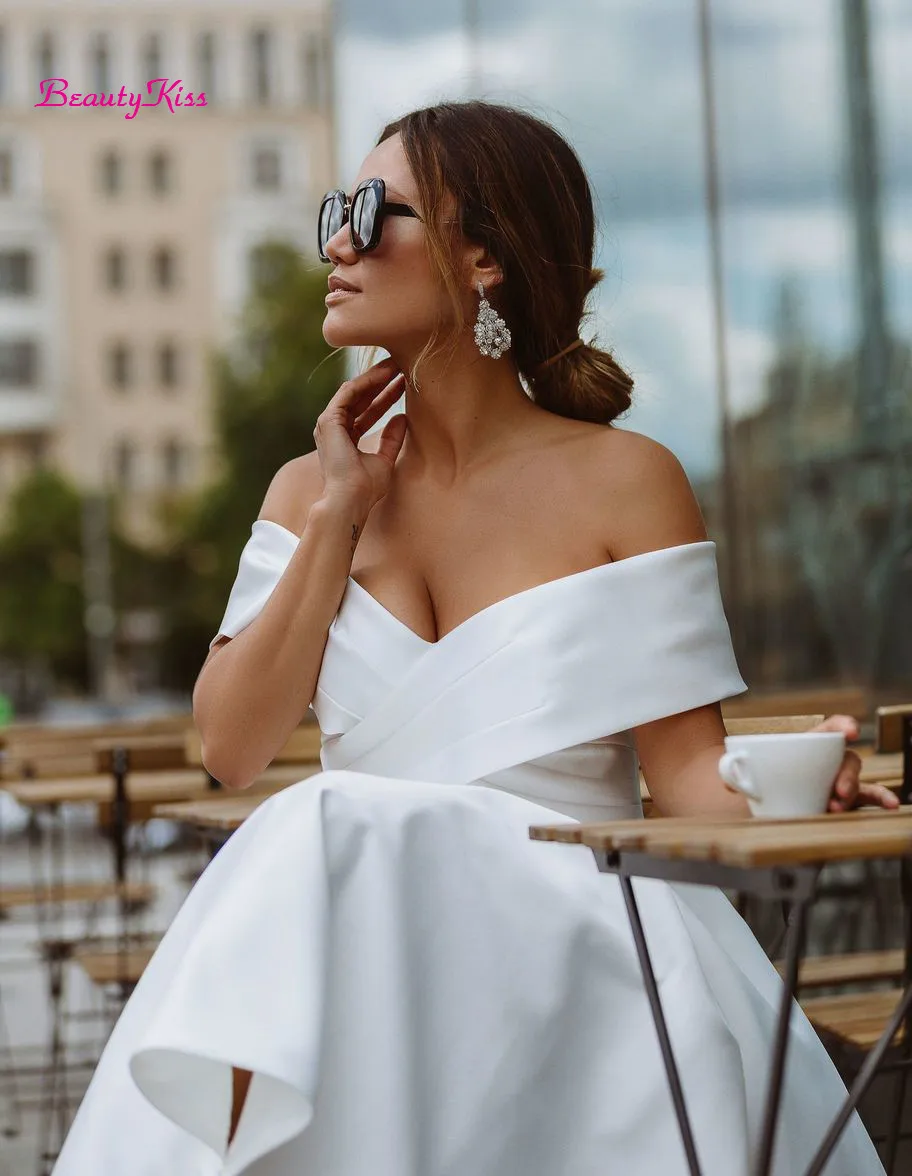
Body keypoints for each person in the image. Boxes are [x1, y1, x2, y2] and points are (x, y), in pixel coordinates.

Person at [53, 101, 895, 1176]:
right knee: (315, 822)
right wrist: (338, 516)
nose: (339, 243)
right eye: (334, 211)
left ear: (484, 256)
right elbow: (229, 750)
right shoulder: (307, 494)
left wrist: (793, 784)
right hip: (374, 960)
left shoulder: (625, 480)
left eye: (374, 210)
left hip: (583, 945)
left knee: (315, 826)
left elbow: (684, 780)